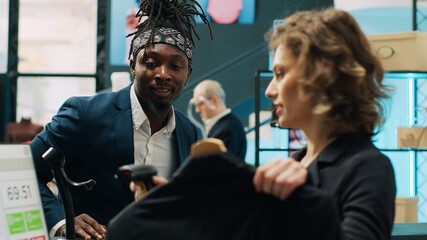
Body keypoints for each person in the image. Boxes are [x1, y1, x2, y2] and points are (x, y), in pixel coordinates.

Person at [30, 0, 212, 239]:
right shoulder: (84, 115)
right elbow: (27, 172)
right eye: (151, 62)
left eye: (175, 66)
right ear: (133, 66)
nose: (163, 74)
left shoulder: (189, 133)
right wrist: (63, 220)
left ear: (187, 74)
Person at [253, 8, 396, 239]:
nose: (270, 91)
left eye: (280, 73)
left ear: (322, 75)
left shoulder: (368, 168)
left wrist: (304, 198)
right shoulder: (296, 162)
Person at [192, 79, 247, 160]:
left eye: (200, 104)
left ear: (214, 100)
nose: (197, 110)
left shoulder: (227, 130)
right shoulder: (227, 126)